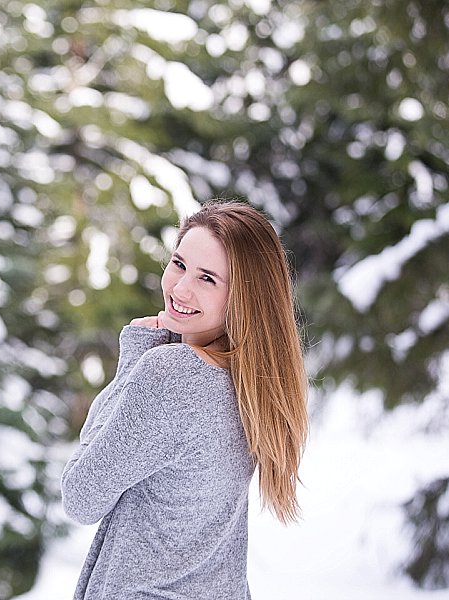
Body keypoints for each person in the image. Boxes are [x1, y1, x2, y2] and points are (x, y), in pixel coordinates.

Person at [61, 200, 308, 599]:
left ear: (244, 297)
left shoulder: (169, 376)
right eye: (178, 264)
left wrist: (132, 364)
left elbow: (80, 496)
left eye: (207, 279)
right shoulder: (250, 382)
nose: (179, 288)